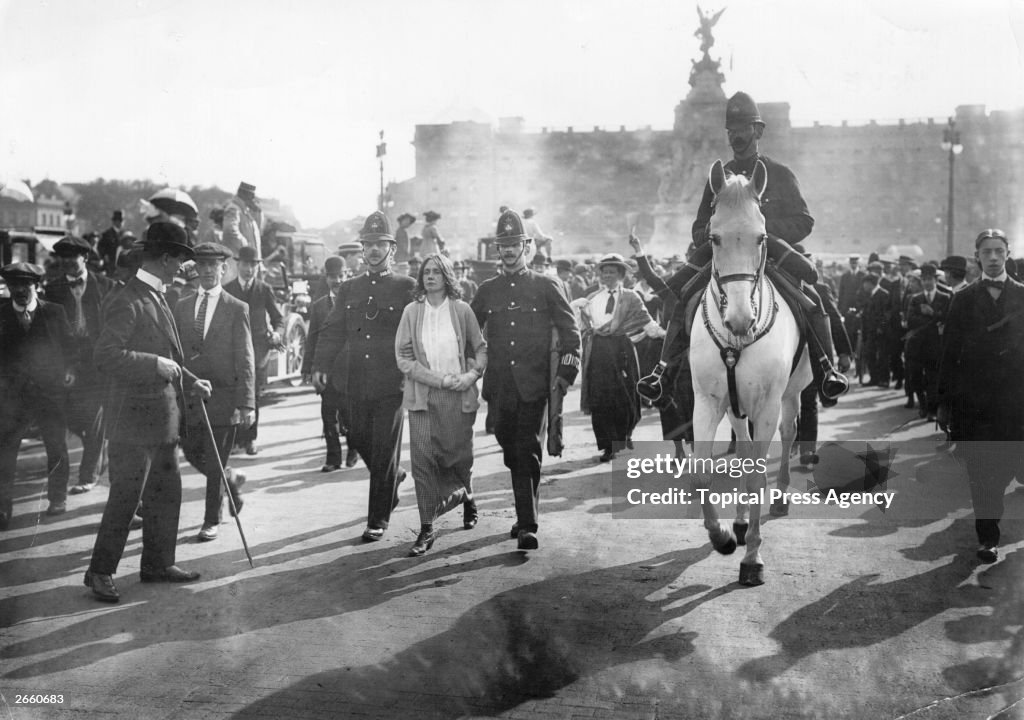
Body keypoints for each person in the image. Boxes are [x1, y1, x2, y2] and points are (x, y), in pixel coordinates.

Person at [637, 91, 848, 408]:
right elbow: (698, 226)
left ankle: (826, 371)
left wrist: (759, 229)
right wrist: (715, 232)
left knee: (815, 299)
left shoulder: (779, 173)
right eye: (731, 130)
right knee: (683, 299)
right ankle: (663, 374)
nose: (736, 136)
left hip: (772, 254)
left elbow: (804, 221)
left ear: (758, 131)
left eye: (743, 128)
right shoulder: (718, 177)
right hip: (727, 258)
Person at [84, 222, 211, 602]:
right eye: (181, 259)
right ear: (165, 258)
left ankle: (157, 563)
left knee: (166, 493)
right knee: (126, 497)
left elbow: (168, 355)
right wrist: (152, 364)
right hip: (132, 423)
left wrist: (191, 381)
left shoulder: (156, 295)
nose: (183, 268)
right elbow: (105, 356)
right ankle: (99, 571)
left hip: (162, 420)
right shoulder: (127, 299)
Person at [471, 209, 581, 550]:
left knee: (527, 449)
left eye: (514, 244)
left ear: (526, 246)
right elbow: (469, 330)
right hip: (499, 386)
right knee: (509, 447)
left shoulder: (547, 285)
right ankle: (524, 513)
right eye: (503, 245)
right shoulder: (487, 290)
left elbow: (571, 333)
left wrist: (565, 375)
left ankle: (528, 525)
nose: (508, 250)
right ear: (497, 249)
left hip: (535, 385)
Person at [312, 211, 415, 542]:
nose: (372, 250)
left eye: (379, 244)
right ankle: (394, 475)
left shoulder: (406, 287)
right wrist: (320, 366)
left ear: (391, 249)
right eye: (368, 244)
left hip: (391, 383)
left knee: (383, 449)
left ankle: (377, 519)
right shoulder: (349, 288)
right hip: (355, 381)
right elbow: (332, 330)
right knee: (356, 437)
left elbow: (416, 333)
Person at [938, 229, 1024, 563]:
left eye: (998, 251)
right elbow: (949, 353)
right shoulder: (963, 299)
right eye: (986, 251)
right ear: (977, 257)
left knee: (1010, 469)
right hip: (975, 404)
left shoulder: (1022, 295)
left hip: (1016, 403)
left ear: (1007, 254)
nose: (993, 257)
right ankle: (987, 537)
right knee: (982, 473)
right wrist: (944, 404)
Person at [395, 253, 487, 556]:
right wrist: (438, 380)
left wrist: (471, 375)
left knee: (457, 460)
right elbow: (403, 358)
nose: (430, 276)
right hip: (422, 397)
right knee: (422, 462)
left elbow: (481, 349)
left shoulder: (461, 310)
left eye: (436, 272)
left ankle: (467, 495)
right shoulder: (412, 311)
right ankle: (426, 528)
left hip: (458, 396)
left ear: (447, 277)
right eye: (426, 272)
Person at [172, 242, 255, 542]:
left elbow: (245, 358)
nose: (207, 271)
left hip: (224, 397)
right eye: (202, 265)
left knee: (215, 455)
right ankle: (229, 480)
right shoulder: (181, 306)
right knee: (193, 452)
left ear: (224, 268)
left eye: (213, 265)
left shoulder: (236, 308)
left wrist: (246, 403)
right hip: (190, 396)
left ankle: (211, 519)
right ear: (196, 269)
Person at [0, 263, 76, 528]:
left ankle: (57, 498)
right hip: (12, 397)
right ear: (8, 287)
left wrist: (70, 370)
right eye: (14, 285)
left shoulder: (54, 312)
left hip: (49, 392)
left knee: (56, 446)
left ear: (36, 285)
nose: (20, 290)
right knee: (5, 451)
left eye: (26, 284)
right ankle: (2, 508)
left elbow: (70, 346)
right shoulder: (1, 315)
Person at [576, 253, 664, 462]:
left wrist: (666, 335)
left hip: (622, 351)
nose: (607, 276)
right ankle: (607, 446)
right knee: (600, 399)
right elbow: (582, 325)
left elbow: (648, 323)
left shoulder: (631, 297)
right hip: (598, 352)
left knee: (625, 397)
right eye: (604, 272)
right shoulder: (591, 298)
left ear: (621, 275)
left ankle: (624, 435)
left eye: (612, 272)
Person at [45, 236, 115, 495]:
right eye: (62, 258)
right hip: (68, 361)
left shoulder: (105, 285)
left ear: (85, 257)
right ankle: (98, 455)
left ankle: (88, 475)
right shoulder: (53, 289)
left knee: (95, 418)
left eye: (71, 257)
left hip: (97, 361)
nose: (66, 262)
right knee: (73, 419)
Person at [224, 245, 283, 456]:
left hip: (258, 349)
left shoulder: (264, 289)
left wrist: (277, 334)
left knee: (253, 394)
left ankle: (250, 439)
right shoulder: (227, 289)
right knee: (233, 393)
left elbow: (278, 319)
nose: (249, 269)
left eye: (253, 265)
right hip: (233, 349)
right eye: (245, 264)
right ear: (237, 265)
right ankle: (234, 440)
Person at [302, 256, 358, 471]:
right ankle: (333, 459)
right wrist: (308, 368)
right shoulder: (318, 307)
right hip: (326, 370)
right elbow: (312, 338)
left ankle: (353, 450)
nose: (337, 280)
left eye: (341, 276)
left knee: (350, 415)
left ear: (347, 275)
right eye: (333, 276)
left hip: (351, 370)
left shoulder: (357, 303)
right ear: (326, 278)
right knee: (328, 416)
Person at [904, 263, 951, 419]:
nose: (926, 282)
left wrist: (932, 313)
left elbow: (947, 318)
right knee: (916, 378)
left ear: (935, 280)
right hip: (917, 346)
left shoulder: (945, 297)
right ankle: (923, 405)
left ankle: (931, 410)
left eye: (929, 279)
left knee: (932, 378)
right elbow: (911, 320)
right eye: (924, 279)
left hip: (935, 346)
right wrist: (933, 320)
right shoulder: (915, 299)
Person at [221, 181, 264, 283]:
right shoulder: (234, 209)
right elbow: (230, 231)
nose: (253, 199)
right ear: (244, 194)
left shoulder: (246, 212)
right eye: (251, 196)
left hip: (248, 263)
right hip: (237, 263)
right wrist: (246, 247)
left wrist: (258, 212)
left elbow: (259, 231)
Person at [859, 273, 891, 386]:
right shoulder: (870, 294)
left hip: (881, 332)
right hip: (870, 331)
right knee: (870, 354)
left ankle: (884, 379)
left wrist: (881, 327)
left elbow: (887, 314)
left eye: (865, 283)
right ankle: (874, 378)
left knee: (883, 356)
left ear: (870, 283)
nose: (864, 286)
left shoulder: (884, 294)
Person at [97, 210, 125, 276]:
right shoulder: (107, 234)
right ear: (114, 222)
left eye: (121, 221)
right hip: (110, 264)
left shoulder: (125, 234)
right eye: (119, 221)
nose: (120, 223)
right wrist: (104, 255)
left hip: (123, 264)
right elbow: (100, 247)